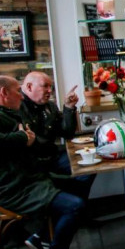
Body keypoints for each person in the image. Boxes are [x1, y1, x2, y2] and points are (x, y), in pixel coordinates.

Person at [0, 75, 85, 249]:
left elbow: (62, 132)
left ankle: (43, 237)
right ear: (4, 93)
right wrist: (23, 137)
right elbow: (10, 141)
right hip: (14, 187)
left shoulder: (10, 113)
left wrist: (23, 137)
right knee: (74, 205)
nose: (21, 95)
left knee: (80, 181)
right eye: (18, 90)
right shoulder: (0, 115)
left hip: (30, 177)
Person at [19, 71, 95, 199]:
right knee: (71, 184)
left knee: (89, 163)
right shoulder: (17, 107)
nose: (50, 91)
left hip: (53, 156)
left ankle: (76, 206)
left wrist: (69, 107)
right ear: (29, 87)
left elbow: (67, 133)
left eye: (51, 87)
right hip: (34, 163)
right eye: (45, 86)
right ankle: (73, 206)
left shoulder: (50, 106)